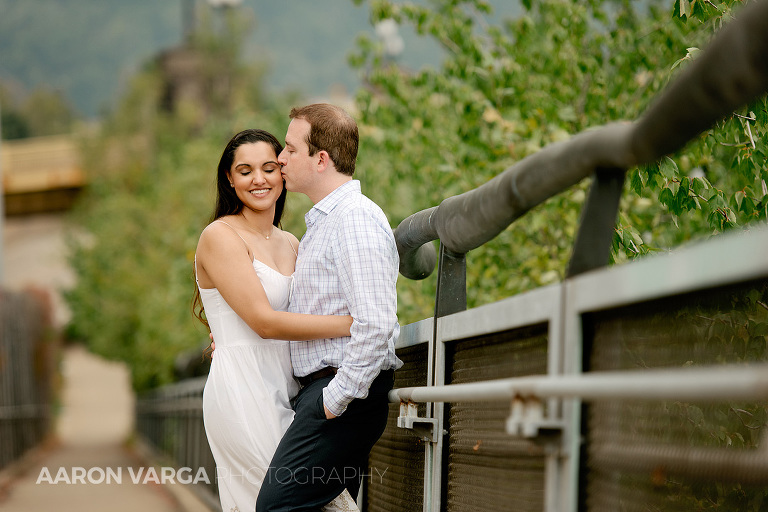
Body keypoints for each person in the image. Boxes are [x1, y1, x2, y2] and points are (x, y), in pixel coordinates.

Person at [193, 128, 359, 512]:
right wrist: (354, 324)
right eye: (245, 170)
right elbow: (264, 323)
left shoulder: (291, 242)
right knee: (313, 504)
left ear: (283, 174)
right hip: (243, 390)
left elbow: (306, 312)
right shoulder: (219, 236)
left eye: (269, 167)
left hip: (290, 388)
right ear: (229, 179)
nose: (259, 179)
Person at [255, 104, 403, 512]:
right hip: (323, 391)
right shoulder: (324, 223)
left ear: (320, 159)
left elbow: (375, 322)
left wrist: (335, 399)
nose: (279, 159)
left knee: (275, 505)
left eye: (289, 149)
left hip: (343, 392)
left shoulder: (355, 219)